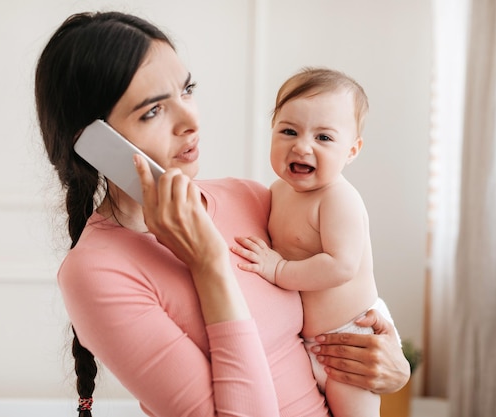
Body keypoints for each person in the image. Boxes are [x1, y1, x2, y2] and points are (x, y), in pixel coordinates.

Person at [34, 11, 410, 417]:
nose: (191, 121)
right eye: (152, 111)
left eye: (186, 89)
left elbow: (338, 303)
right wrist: (209, 264)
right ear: (93, 144)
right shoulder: (97, 272)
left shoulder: (251, 199)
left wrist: (392, 367)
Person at [232, 68, 398, 416]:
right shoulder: (277, 192)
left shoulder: (338, 199)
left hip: (352, 337)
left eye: (323, 137)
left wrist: (279, 270)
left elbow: (340, 266)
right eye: (289, 131)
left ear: (351, 151)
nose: (302, 145)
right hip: (310, 343)